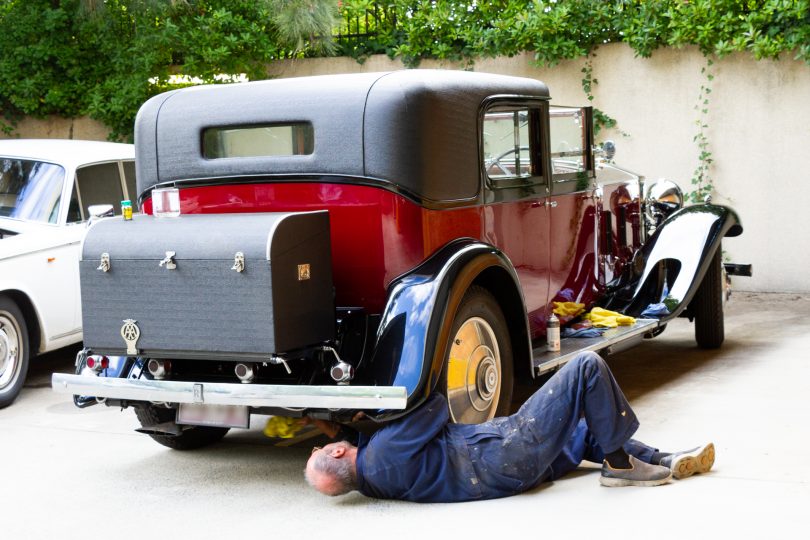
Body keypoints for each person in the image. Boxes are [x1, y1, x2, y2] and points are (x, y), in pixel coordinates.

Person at [304, 351, 715, 502]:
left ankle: (665, 459)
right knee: (586, 367)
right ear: (339, 456)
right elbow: (433, 407)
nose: (316, 448)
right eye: (320, 451)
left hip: (510, 475)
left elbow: (372, 452)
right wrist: (382, 407)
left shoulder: (375, 479)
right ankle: (620, 466)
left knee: (581, 431)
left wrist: (341, 432)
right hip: (506, 450)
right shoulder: (386, 452)